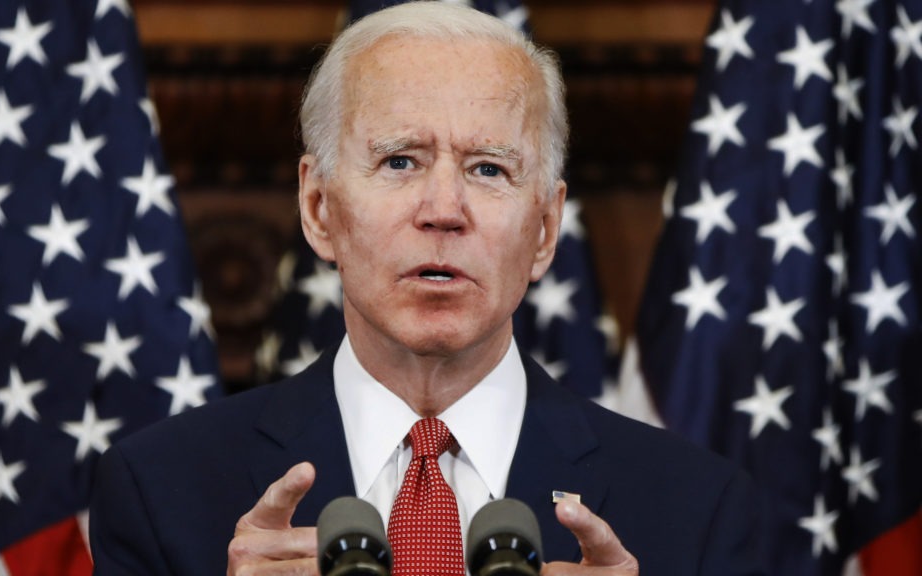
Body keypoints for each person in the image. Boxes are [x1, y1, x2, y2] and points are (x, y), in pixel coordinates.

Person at [89, 3, 763, 575]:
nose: (444, 209)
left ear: (545, 229)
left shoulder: (697, 512)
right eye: (400, 161)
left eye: (489, 169)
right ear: (319, 209)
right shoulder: (161, 492)